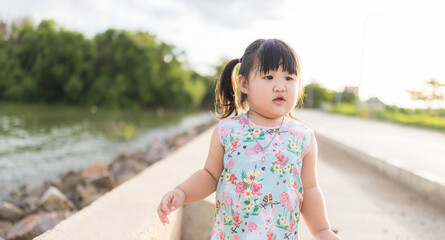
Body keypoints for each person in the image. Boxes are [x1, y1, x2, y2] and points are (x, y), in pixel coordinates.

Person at [157, 39, 340, 240]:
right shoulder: (228, 131)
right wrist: (182, 192)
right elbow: (210, 175)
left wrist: (322, 231)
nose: (280, 86)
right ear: (244, 84)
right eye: (269, 76)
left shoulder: (302, 138)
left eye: (289, 78)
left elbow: (310, 189)